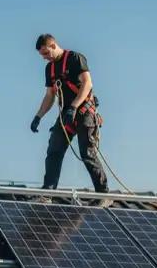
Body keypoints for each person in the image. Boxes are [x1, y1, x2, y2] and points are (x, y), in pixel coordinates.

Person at [29, 34, 112, 207]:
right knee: (54, 150)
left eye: (46, 53)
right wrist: (38, 116)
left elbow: (87, 84)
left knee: (87, 153)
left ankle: (103, 194)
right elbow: (50, 95)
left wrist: (74, 107)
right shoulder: (50, 69)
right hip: (66, 115)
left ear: (53, 46)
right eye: (42, 55)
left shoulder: (75, 58)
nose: (45, 58)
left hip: (83, 112)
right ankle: (48, 193)